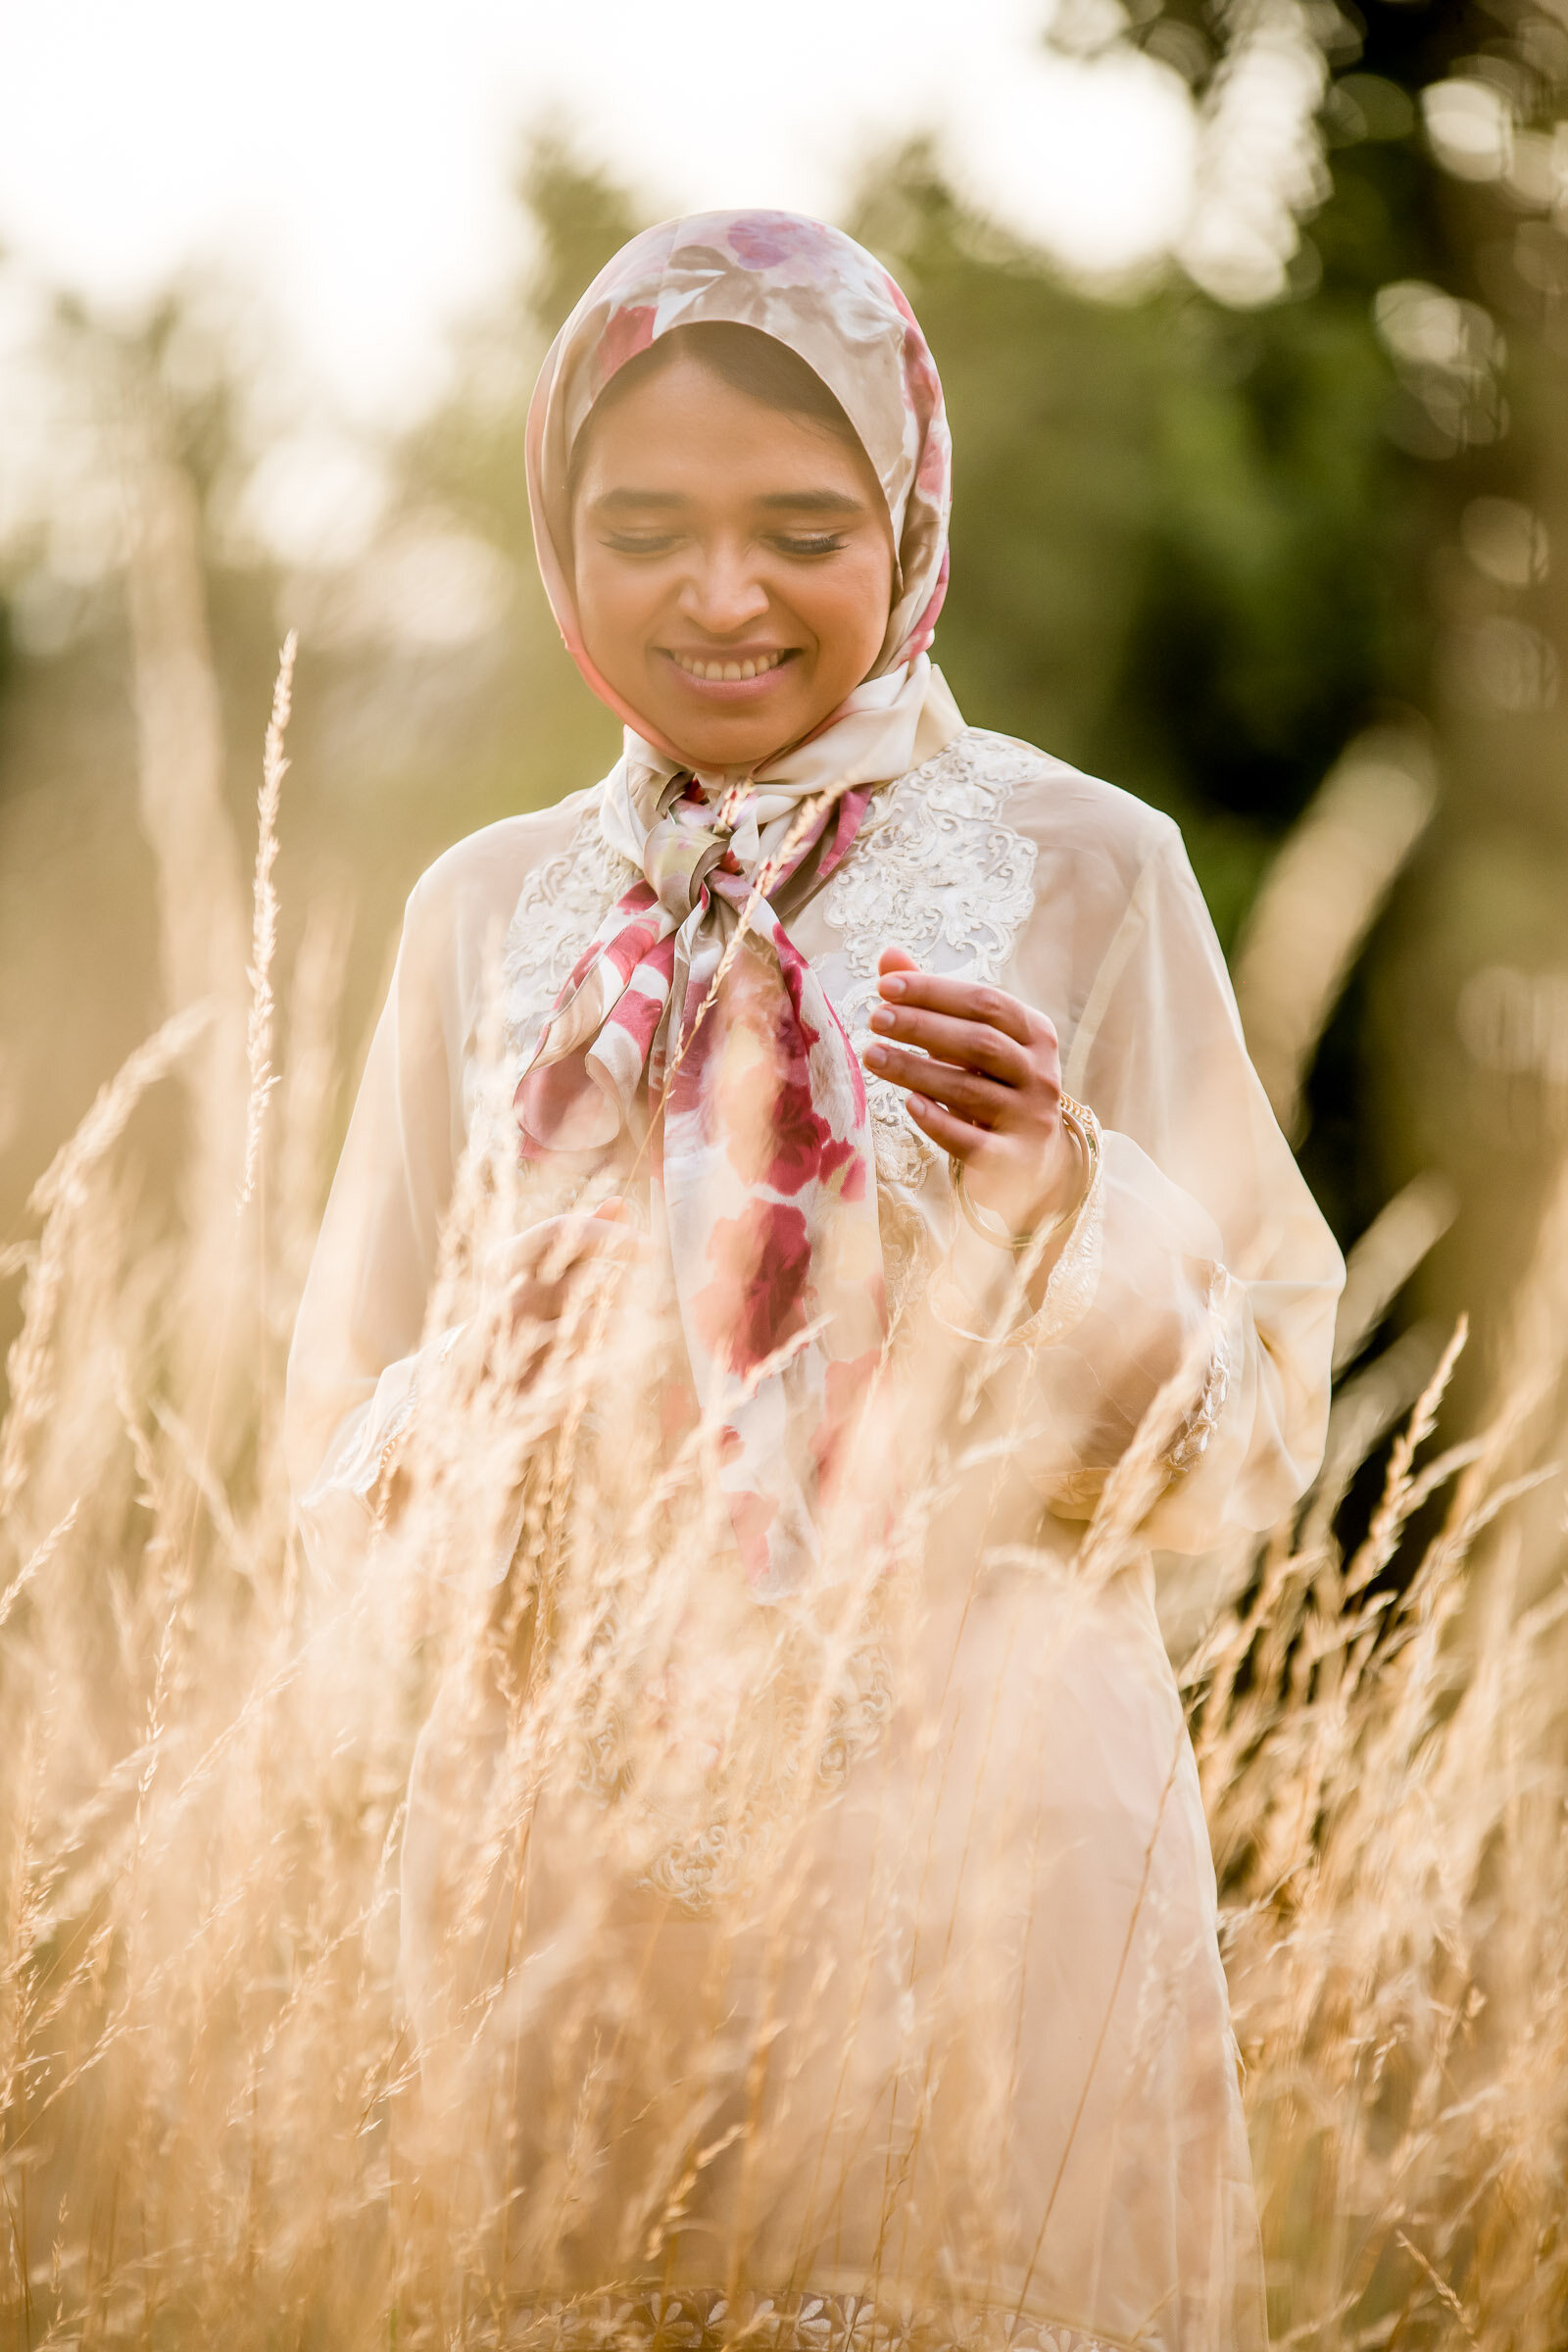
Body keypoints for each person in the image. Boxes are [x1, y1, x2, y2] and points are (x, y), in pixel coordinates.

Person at [285, 211, 1343, 2351]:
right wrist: (498, 1412)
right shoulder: (483, 917)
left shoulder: (1084, 870)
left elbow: (1264, 1441)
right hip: (563, 1861)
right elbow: (336, 1433)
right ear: (556, 537)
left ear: (907, 518)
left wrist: (1061, 1207)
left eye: (798, 527)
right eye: (643, 527)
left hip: (994, 1852)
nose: (720, 594)